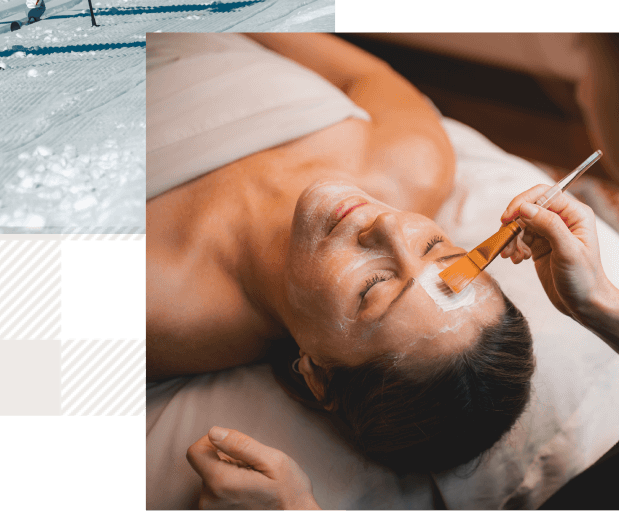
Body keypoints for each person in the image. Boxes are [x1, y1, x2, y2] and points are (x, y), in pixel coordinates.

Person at [178, 33, 619, 511]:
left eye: (372, 287)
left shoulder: (168, 314)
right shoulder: (416, 162)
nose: (388, 224)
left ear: (317, 375)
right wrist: (599, 300)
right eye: (434, 245)